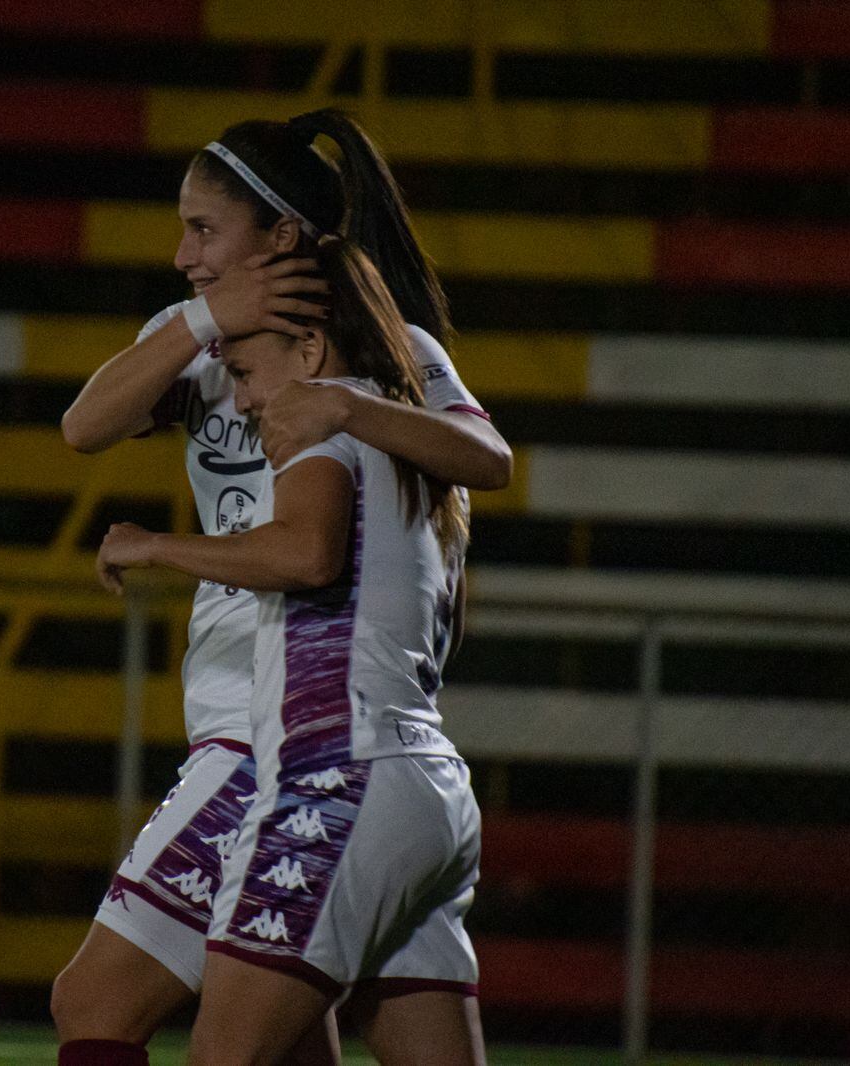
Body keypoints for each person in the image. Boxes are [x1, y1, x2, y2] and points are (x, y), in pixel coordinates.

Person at [51, 110, 509, 1066]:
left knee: (98, 1002)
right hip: (360, 740)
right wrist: (206, 323)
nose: (183, 255)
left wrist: (346, 404)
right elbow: (85, 426)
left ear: (283, 237)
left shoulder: (358, 364)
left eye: (203, 229)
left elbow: (477, 463)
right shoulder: (201, 346)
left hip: (293, 739)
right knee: (289, 1032)